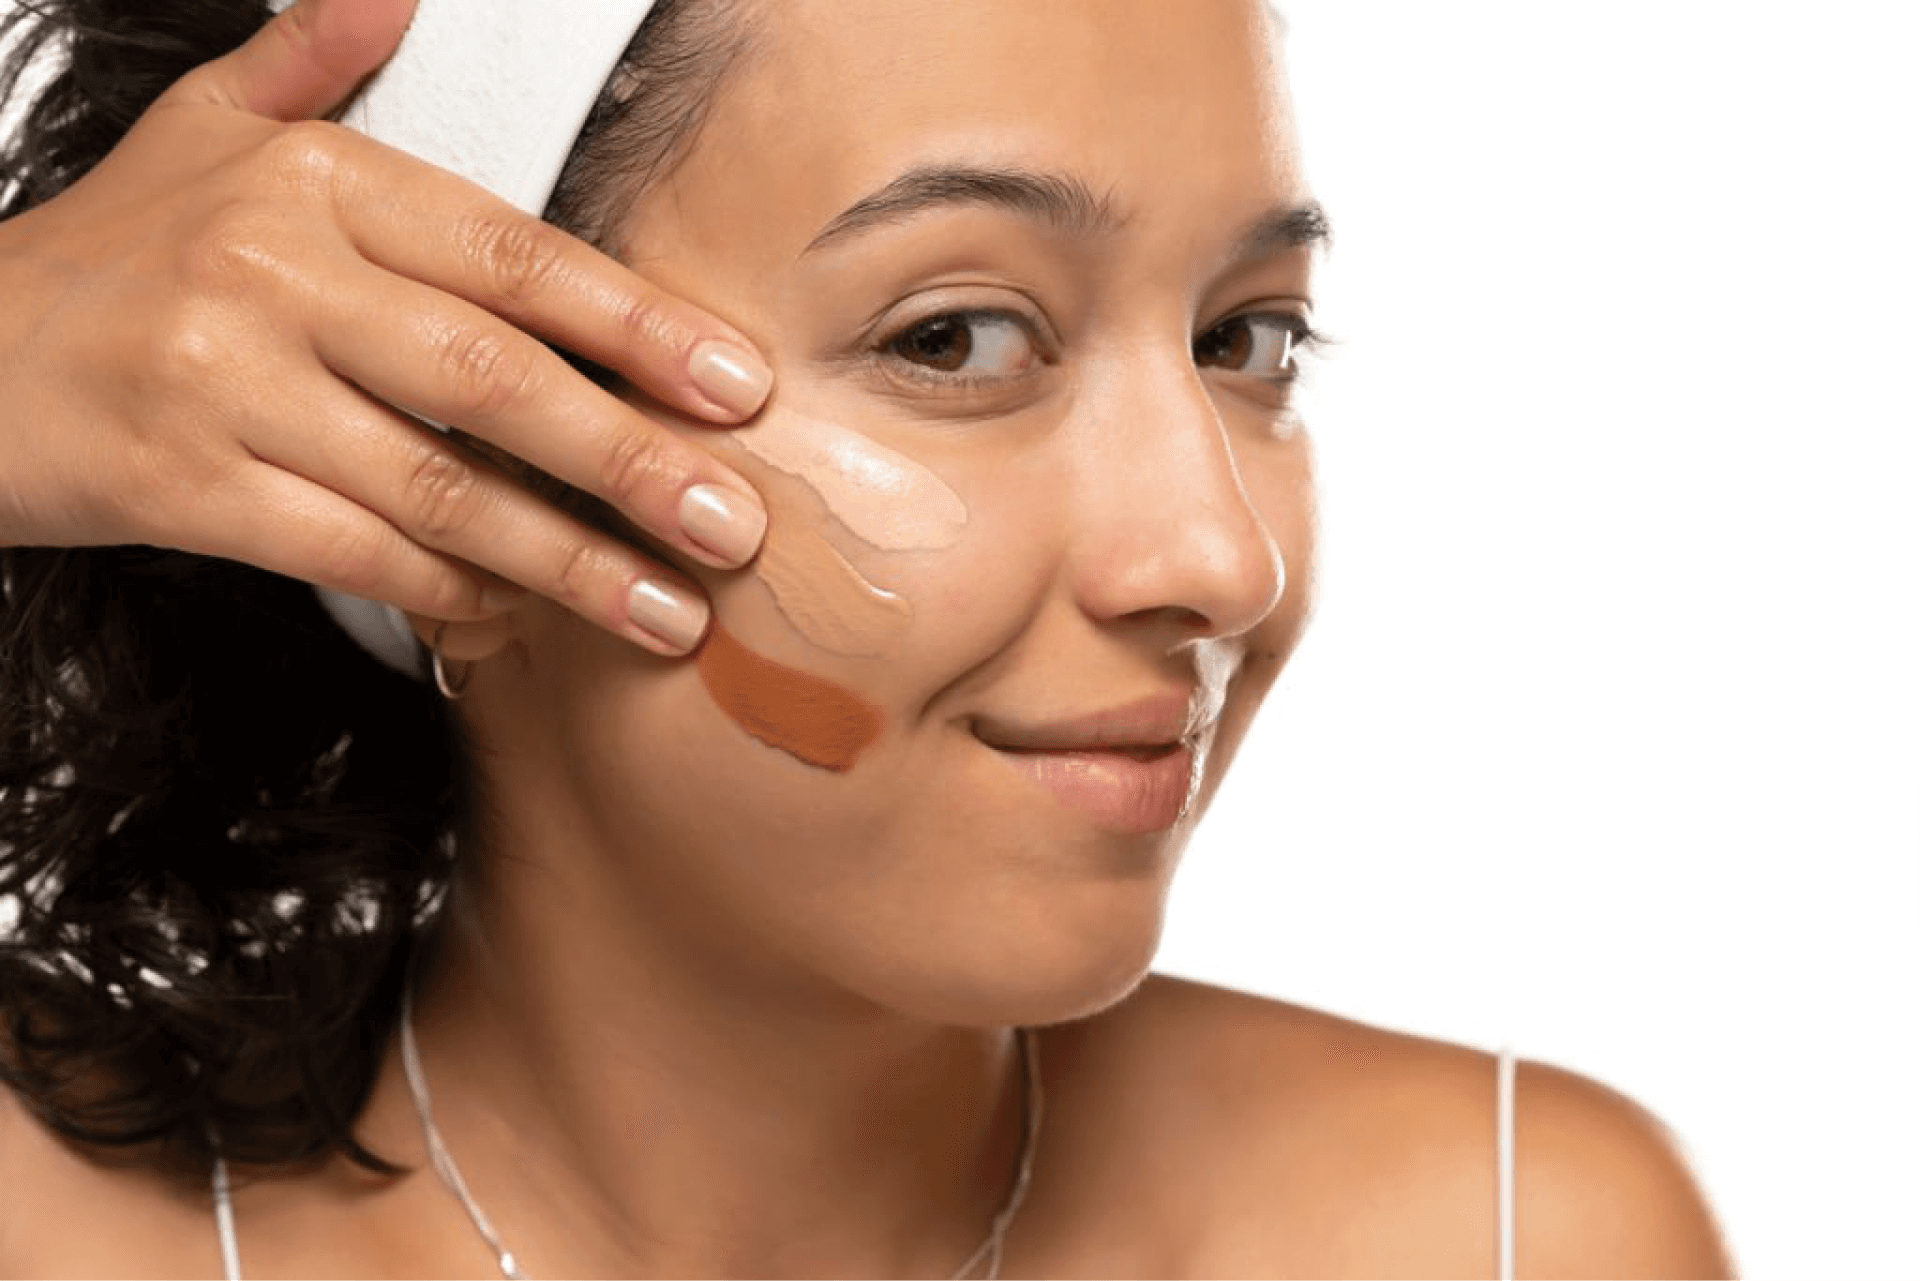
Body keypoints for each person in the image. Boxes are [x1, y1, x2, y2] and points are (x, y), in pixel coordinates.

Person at [0, 0, 1737, 1276]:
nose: (1217, 556)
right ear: (434, 443)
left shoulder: (1510, 1236)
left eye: (1249, 339)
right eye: (960, 340)